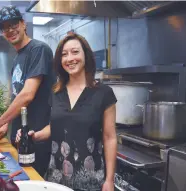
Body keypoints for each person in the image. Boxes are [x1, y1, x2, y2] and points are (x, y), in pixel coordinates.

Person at [16, 33, 117, 191]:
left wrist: (109, 180)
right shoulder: (56, 92)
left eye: (75, 52)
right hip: (56, 178)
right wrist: (34, 135)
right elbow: (55, 126)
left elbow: (109, 137)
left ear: (86, 55)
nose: (70, 58)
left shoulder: (103, 93)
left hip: (90, 181)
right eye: (64, 54)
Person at [0, 5, 56, 177]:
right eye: (4, 28)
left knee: (32, 182)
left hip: (35, 136)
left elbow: (27, 95)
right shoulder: (17, 57)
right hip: (18, 136)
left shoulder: (38, 49)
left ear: (23, 24)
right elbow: (17, 94)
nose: (9, 30)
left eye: (13, 24)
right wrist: (7, 123)